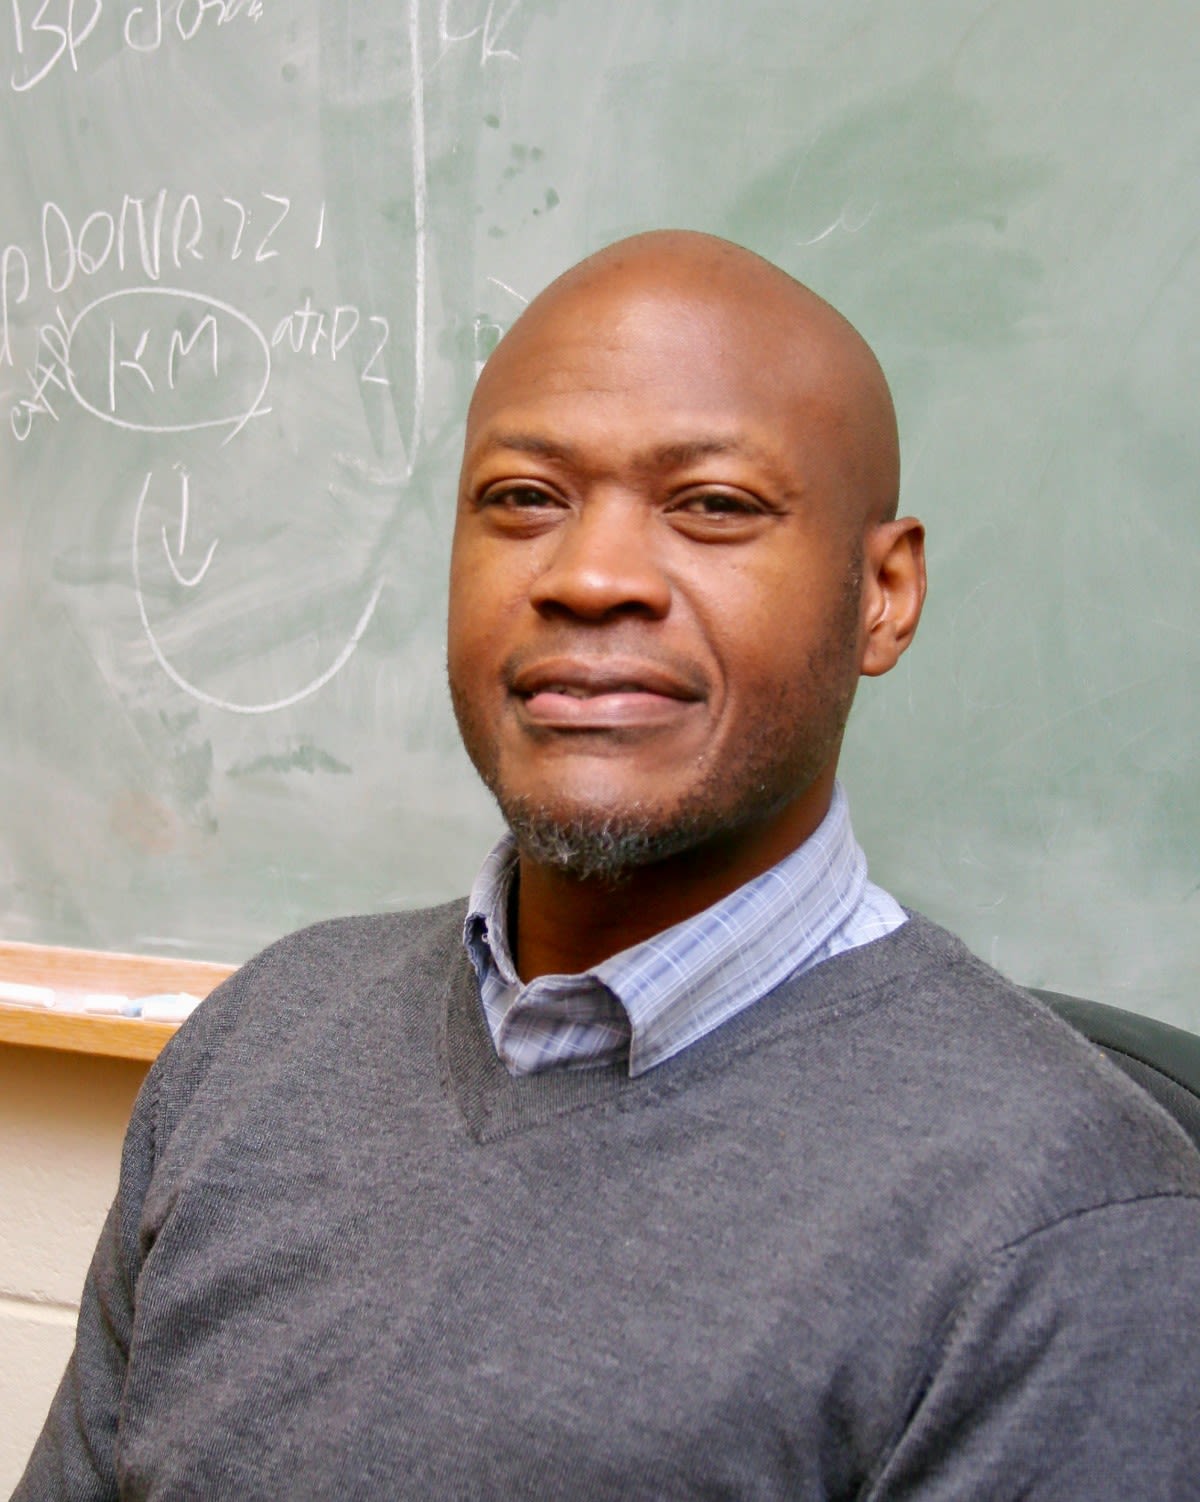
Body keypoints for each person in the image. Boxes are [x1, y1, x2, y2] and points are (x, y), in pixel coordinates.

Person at [16, 232, 1200, 1500]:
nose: (588, 577)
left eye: (714, 506)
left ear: (883, 594)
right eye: (524, 498)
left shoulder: (1071, 1224)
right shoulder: (261, 1039)